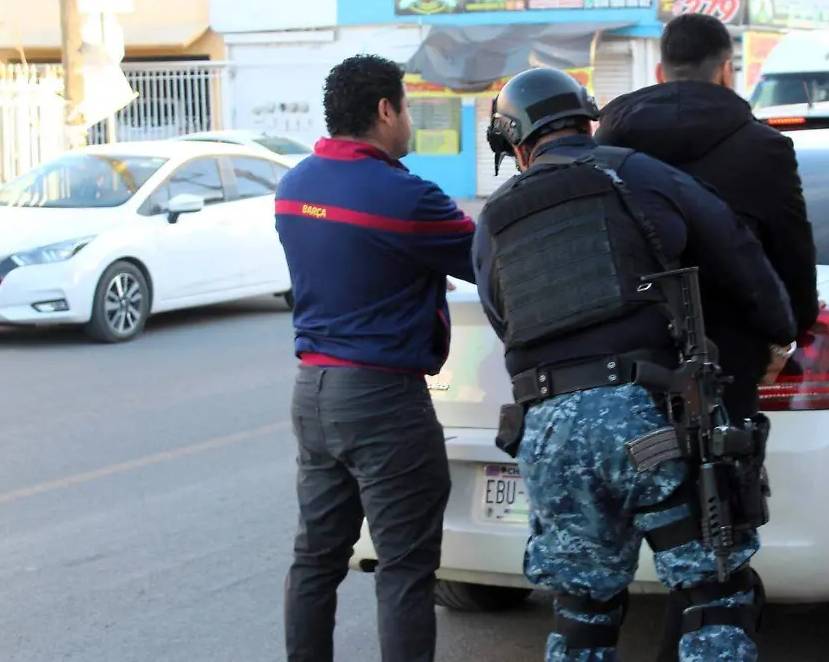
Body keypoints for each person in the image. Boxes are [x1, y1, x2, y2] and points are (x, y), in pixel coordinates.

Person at [471, 67, 798, 662]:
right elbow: (737, 254)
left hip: (547, 432)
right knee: (713, 595)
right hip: (647, 423)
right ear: (586, 121)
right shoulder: (636, 172)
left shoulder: (494, 218)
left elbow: (503, 320)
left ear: (518, 144)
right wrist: (780, 334)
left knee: (582, 611)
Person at [275, 54, 476, 662]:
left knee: (315, 559)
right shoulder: (406, 197)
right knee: (406, 567)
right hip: (383, 400)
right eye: (407, 107)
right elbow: (491, 261)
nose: (409, 120)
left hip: (313, 391)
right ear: (387, 110)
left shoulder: (294, 186)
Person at [596, 12, 820, 425]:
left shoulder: (608, 144)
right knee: (727, 458)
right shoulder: (763, 148)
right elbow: (792, 251)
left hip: (625, 357)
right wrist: (788, 334)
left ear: (660, 72)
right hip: (728, 358)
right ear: (725, 71)